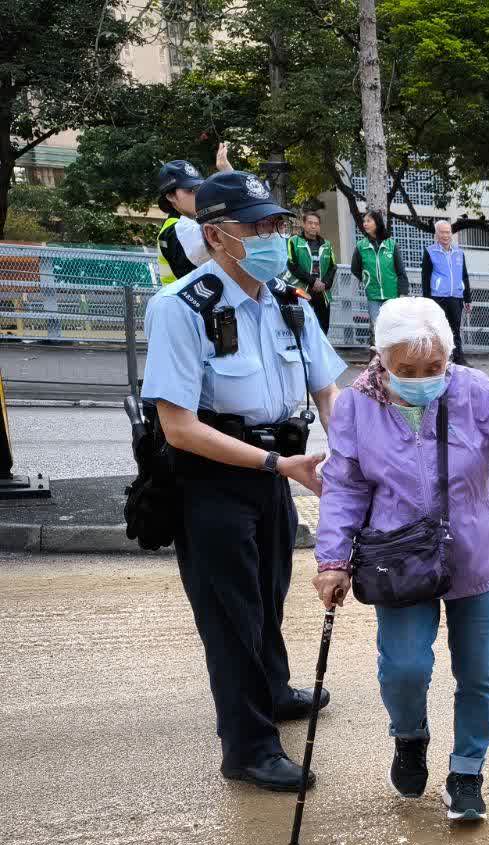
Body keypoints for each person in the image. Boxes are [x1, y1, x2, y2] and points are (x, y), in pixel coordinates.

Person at [312, 298, 489, 823]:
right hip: (398, 557)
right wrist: (333, 559)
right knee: (404, 668)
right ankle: (410, 736)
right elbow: (344, 486)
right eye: (406, 370)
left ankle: (467, 772)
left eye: (434, 367)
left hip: (474, 554)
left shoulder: (471, 388)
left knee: (478, 674)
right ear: (381, 359)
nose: (422, 379)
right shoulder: (356, 406)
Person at [141, 171, 347, 792]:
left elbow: (327, 390)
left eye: (276, 224)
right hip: (211, 481)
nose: (273, 236)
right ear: (215, 235)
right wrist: (276, 466)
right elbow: (178, 427)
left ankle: (273, 691)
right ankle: (249, 748)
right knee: (231, 617)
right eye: (256, 226)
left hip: (277, 473)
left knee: (269, 594)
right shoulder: (181, 307)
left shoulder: (287, 301)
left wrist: (351, 457)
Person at [153, 143, 232, 286]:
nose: (197, 194)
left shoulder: (194, 222)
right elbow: (233, 238)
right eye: (190, 190)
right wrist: (230, 178)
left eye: (199, 188)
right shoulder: (174, 231)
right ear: (170, 196)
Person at [420, 219, 472, 365]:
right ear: (436, 234)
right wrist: (427, 300)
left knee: (455, 330)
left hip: (456, 297)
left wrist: (467, 298)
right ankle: (437, 361)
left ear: (451, 233)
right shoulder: (430, 251)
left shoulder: (459, 253)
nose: (445, 235)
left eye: (448, 232)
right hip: (437, 298)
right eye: (442, 232)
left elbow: (464, 276)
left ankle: (459, 359)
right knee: (437, 330)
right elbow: (425, 277)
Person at [349, 211, 408, 336]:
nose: (365, 224)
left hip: (392, 295)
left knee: (393, 329)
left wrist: (403, 293)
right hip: (373, 295)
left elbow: (401, 271)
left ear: (377, 222)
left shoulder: (391, 244)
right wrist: (367, 280)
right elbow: (355, 268)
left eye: (368, 221)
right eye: (364, 221)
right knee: (377, 329)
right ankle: (376, 349)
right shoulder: (361, 246)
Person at [287, 210, 337, 334]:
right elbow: (292, 265)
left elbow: (332, 267)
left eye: (316, 224)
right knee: (301, 329)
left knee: (323, 330)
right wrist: (313, 281)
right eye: (310, 223)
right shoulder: (293, 241)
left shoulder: (327, 245)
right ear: (303, 224)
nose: (313, 226)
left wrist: (325, 284)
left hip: (322, 293)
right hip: (301, 292)